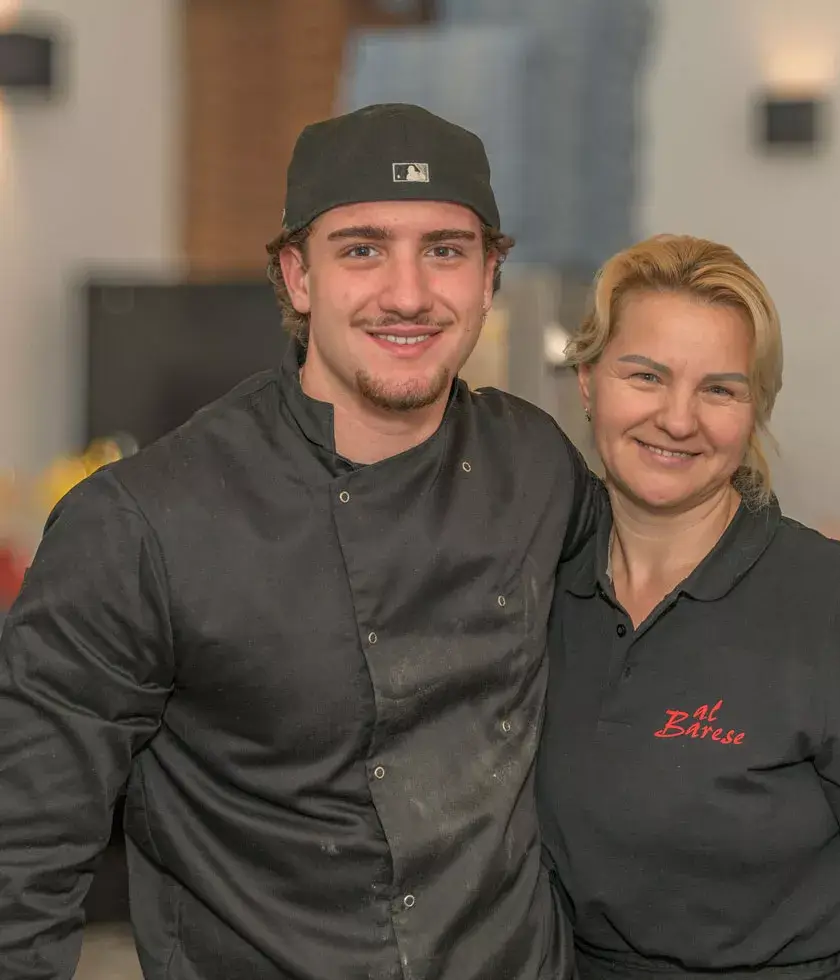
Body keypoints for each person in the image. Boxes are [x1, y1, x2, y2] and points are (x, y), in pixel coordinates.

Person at [0, 103, 600, 980]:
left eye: (445, 249)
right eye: (362, 248)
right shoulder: (141, 521)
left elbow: (655, 610)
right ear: (297, 275)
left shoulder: (537, 463)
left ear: (488, 276)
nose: (408, 292)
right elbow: (24, 850)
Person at [536, 234, 840, 979]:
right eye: (646, 375)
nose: (678, 419)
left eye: (720, 389)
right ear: (587, 382)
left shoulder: (837, 604)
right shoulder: (539, 587)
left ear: (754, 411)